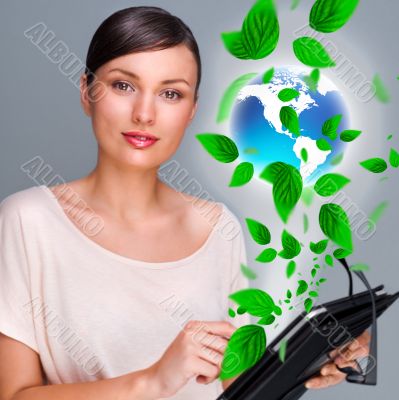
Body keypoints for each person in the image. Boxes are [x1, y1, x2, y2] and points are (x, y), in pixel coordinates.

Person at [0, 5, 370, 400]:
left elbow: (238, 389)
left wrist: (306, 366)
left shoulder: (217, 227)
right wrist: (154, 380)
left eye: (170, 93)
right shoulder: (27, 221)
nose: (144, 113)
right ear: (86, 92)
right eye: (124, 85)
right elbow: (14, 394)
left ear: (191, 111)